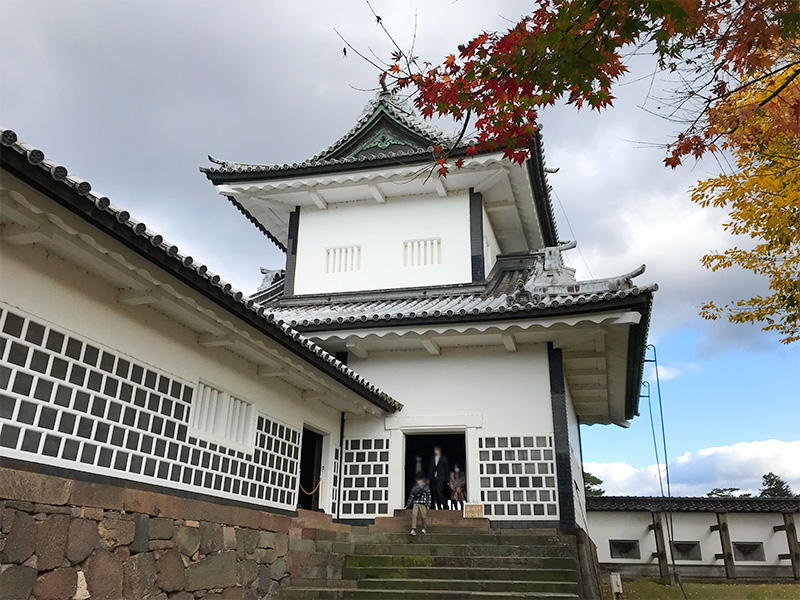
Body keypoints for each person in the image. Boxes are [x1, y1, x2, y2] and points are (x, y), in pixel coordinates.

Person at [406, 471, 431, 536]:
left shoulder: (426, 487)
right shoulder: (415, 486)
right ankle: (413, 529)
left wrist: (428, 504)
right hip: (416, 502)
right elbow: (412, 494)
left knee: (423, 516)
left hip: (423, 503)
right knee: (414, 514)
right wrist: (408, 503)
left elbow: (429, 496)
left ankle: (424, 528)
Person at [427, 446, 450, 510]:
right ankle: (439, 507)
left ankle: (446, 506)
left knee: (439, 492)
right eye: (435, 449)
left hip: (441, 478)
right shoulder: (432, 458)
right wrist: (428, 478)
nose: (436, 450)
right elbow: (430, 469)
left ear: (440, 449)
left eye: (437, 449)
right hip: (433, 478)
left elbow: (447, 469)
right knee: (434, 494)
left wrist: (447, 480)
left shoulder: (444, 458)